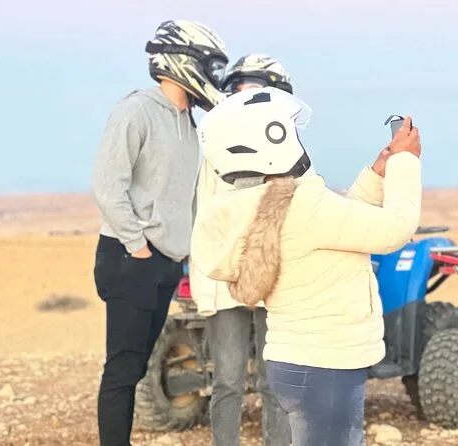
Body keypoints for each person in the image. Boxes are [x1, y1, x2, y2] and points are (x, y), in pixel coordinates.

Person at [190, 86, 423, 446]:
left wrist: (377, 175)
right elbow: (395, 229)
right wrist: (405, 163)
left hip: (294, 360)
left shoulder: (262, 205)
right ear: (273, 140)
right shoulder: (304, 206)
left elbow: (341, 225)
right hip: (327, 364)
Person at [91, 20, 228, 446]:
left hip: (165, 262)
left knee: (136, 368)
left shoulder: (189, 124)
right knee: (122, 369)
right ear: (183, 61)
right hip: (130, 257)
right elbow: (107, 185)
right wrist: (138, 247)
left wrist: (182, 252)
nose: (214, 76)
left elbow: (184, 196)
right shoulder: (136, 111)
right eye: (210, 65)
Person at [190, 54, 294, 446]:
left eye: (257, 89)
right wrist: (204, 284)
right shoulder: (214, 150)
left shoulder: (289, 150)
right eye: (240, 89)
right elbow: (203, 218)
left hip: (276, 279)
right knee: (227, 381)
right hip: (224, 278)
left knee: (276, 380)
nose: (246, 97)